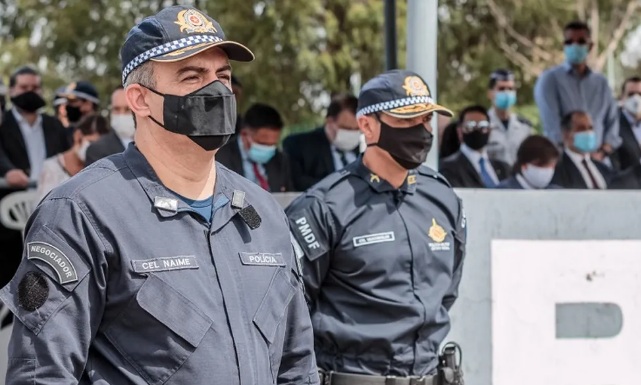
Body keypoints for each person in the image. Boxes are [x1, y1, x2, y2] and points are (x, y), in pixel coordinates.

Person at [0, 6, 318, 385]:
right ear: (140, 99)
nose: (215, 91)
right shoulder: (82, 213)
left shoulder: (262, 212)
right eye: (191, 76)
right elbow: (42, 375)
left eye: (223, 76)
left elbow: (297, 366)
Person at [286, 69, 466, 384]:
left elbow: (445, 291)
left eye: (425, 120)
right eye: (406, 121)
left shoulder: (443, 198)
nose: (421, 131)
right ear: (367, 126)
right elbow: (290, 312)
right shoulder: (324, 206)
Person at [0, 65, 69, 288]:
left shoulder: (54, 125)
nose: (30, 92)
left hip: (51, 207)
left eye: (35, 87)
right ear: (11, 91)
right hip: (10, 212)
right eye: (24, 87)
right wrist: (7, 170)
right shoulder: (3, 123)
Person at [534, 21, 620, 164]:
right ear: (563, 46)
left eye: (580, 42)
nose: (575, 46)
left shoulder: (601, 83)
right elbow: (552, 127)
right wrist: (570, 157)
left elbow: (612, 122)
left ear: (590, 46)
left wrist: (603, 151)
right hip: (565, 162)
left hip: (600, 160)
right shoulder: (549, 80)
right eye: (569, 42)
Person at [283, 93, 360, 191]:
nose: (352, 133)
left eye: (357, 129)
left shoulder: (358, 150)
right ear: (330, 121)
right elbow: (297, 182)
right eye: (346, 128)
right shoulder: (300, 145)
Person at [217, 102, 293, 192]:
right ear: (244, 135)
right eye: (263, 144)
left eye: (273, 144)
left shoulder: (280, 160)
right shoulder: (219, 157)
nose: (269, 149)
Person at [37, 114, 110, 201]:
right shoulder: (51, 167)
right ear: (78, 136)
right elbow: (43, 208)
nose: (94, 150)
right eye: (91, 142)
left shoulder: (97, 169)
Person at [440, 105, 511, 188]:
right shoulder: (448, 168)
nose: (477, 130)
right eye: (470, 126)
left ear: (490, 130)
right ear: (459, 131)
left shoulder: (504, 168)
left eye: (483, 126)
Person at [551, 110, 613, 189]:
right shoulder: (557, 169)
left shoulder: (603, 168)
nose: (588, 132)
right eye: (581, 128)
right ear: (566, 134)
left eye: (590, 128)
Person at [486, 69, 534, 166]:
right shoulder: (483, 125)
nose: (507, 93)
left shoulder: (524, 126)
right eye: (501, 89)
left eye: (510, 89)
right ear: (490, 94)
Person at [85, 87, 135, 165]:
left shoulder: (153, 144)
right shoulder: (97, 149)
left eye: (127, 109)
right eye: (116, 109)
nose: (121, 115)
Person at [614, 76, 641, 171]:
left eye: (639, 94)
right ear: (622, 97)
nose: (636, 98)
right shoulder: (613, 124)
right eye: (631, 94)